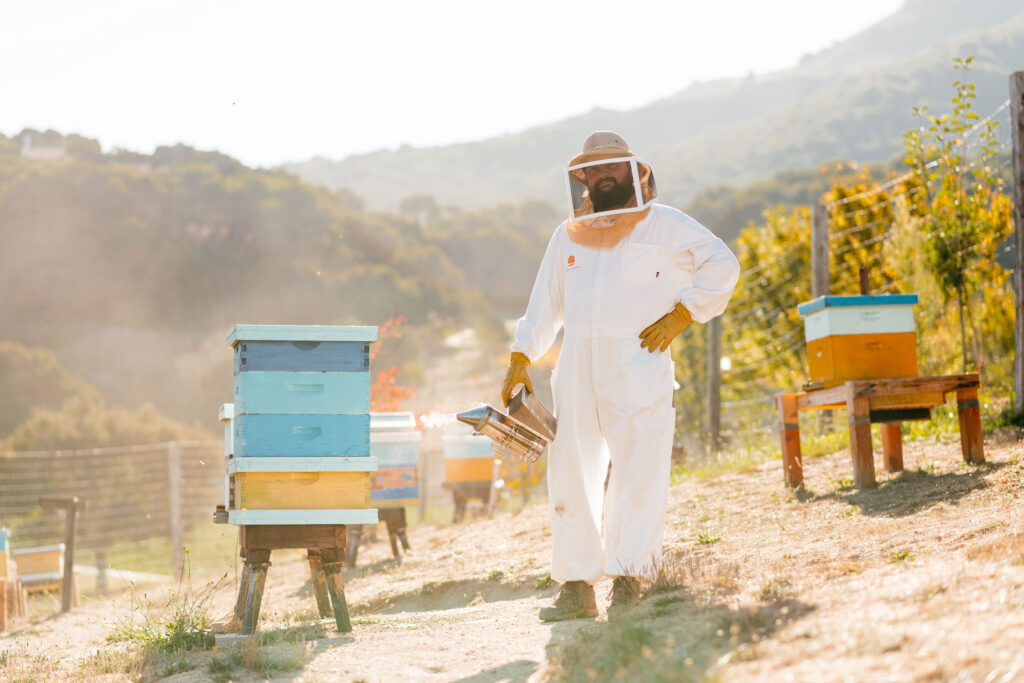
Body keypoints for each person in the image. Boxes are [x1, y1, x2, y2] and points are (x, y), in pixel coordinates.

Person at [501, 131, 739, 621]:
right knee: (571, 470)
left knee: (639, 467)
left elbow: (722, 263)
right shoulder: (567, 234)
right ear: (582, 176)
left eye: (613, 166)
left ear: (634, 171)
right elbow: (544, 304)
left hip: (639, 361)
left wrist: (685, 313)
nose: (603, 175)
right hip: (576, 366)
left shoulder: (666, 224)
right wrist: (521, 356)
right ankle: (576, 585)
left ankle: (631, 578)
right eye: (594, 169)